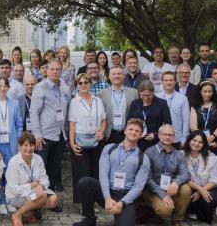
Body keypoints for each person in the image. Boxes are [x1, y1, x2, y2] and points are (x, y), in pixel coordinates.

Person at [72, 118, 151, 226]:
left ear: (141, 135)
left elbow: (138, 187)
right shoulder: (109, 149)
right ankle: (90, 219)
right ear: (125, 131)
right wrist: (108, 198)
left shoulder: (143, 158)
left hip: (125, 196)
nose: (133, 132)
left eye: (137, 131)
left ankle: (120, 216)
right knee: (85, 182)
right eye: (131, 129)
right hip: (107, 192)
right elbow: (103, 174)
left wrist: (121, 204)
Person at [29, 59, 72, 196]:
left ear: (61, 71)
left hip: (60, 135)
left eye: (57, 69)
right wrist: (37, 135)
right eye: (52, 69)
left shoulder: (65, 89)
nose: (55, 72)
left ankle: (50, 198)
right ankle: (37, 201)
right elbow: (34, 112)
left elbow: (67, 111)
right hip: (44, 136)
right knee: (41, 170)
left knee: (54, 169)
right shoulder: (40, 88)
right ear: (46, 71)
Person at [0, 76, 24, 214]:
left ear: (8, 88)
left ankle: (10, 200)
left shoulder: (14, 103)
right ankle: (0, 201)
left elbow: (19, 124)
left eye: (4, 86)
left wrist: (19, 140)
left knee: (11, 173)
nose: (2, 88)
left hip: (11, 143)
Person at [142, 124, 192, 226]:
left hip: (171, 188)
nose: (167, 137)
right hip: (153, 190)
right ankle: (154, 211)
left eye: (170, 135)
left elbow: (186, 174)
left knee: (186, 189)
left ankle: (177, 220)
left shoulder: (179, 154)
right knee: (165, 211)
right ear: (159, 135)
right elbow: (147, 179)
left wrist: (176, 183)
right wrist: (163, 195)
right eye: (165, 134)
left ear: (174, 137)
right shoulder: (149, 152)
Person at [5, 132, 59, 226]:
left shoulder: (38, 159)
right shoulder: (14, 162)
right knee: (42, 196)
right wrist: (31, 186)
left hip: (34, 192)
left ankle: (30, 210)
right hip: (15, 196)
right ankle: (17, 215)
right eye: (25, 145)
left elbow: (45, 179)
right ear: (19, 147)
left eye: (31, 145)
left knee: (54, 200)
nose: (29, 148)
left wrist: (40, 186)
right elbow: (13, 189)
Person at [68, 73, 107, 204]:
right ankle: (82, 203)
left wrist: (101, 131)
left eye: (86, 82)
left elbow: (103, 120)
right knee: (82, 174)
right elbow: (72, 125)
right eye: (80, 83)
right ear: (77, 86)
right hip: (80, 142)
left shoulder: (98, 100)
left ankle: (94, 201)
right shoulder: (74, 102)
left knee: (95, 172)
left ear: (90, 83)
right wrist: (72, 144)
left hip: (96, 142)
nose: (83, 85)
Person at [183, 131, 217, 223]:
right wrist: (199, 189)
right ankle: (189, 211)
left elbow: (215, 179)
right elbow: (182, 177)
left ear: (204, 144)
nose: (196, 144)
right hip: (190, 187)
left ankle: (201, 213)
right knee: (185, 192)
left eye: (200, 142)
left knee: (209, 200)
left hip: (208, 187)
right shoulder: (181, 155)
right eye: (194, 140)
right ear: (189, 141)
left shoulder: (211, 157)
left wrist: (201, 191)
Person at [128, 80, 172, 151]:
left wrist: (156, 135)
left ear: (153, 92)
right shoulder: (135, 103)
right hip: (137, 141)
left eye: (148, 95)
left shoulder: (162, 103)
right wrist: (135, 133)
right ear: (139, 93)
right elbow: (129, 121)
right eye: (143, 95)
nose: (145, 98)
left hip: (155, 143)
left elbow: (168, 124)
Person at [99, 66, 139, 145]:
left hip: (127, 134)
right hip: (109, 134)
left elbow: (138, 114)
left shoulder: (134, 93)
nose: (116, 76)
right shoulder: (101, 94)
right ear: (109, 77)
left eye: (119, 74)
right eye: (113, 74)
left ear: (123, 76)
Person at [158, 72, 190, 149]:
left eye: (171, 80)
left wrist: (184, 139)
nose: (168, 83)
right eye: (166, 80)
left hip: (176, 139)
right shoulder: (156, 97)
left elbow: (186, 120)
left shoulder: (183, 98)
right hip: (159, 139)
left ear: (175, 81)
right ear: (162, 82)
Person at [190, 81, 217, 153]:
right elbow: (193, 127)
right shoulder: (195, 106)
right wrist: (204, 139)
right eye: (205, 91)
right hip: (199, 142)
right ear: (200, 92)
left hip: (216, 142)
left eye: (210, 91)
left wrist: (212, 137)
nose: (207, 94)